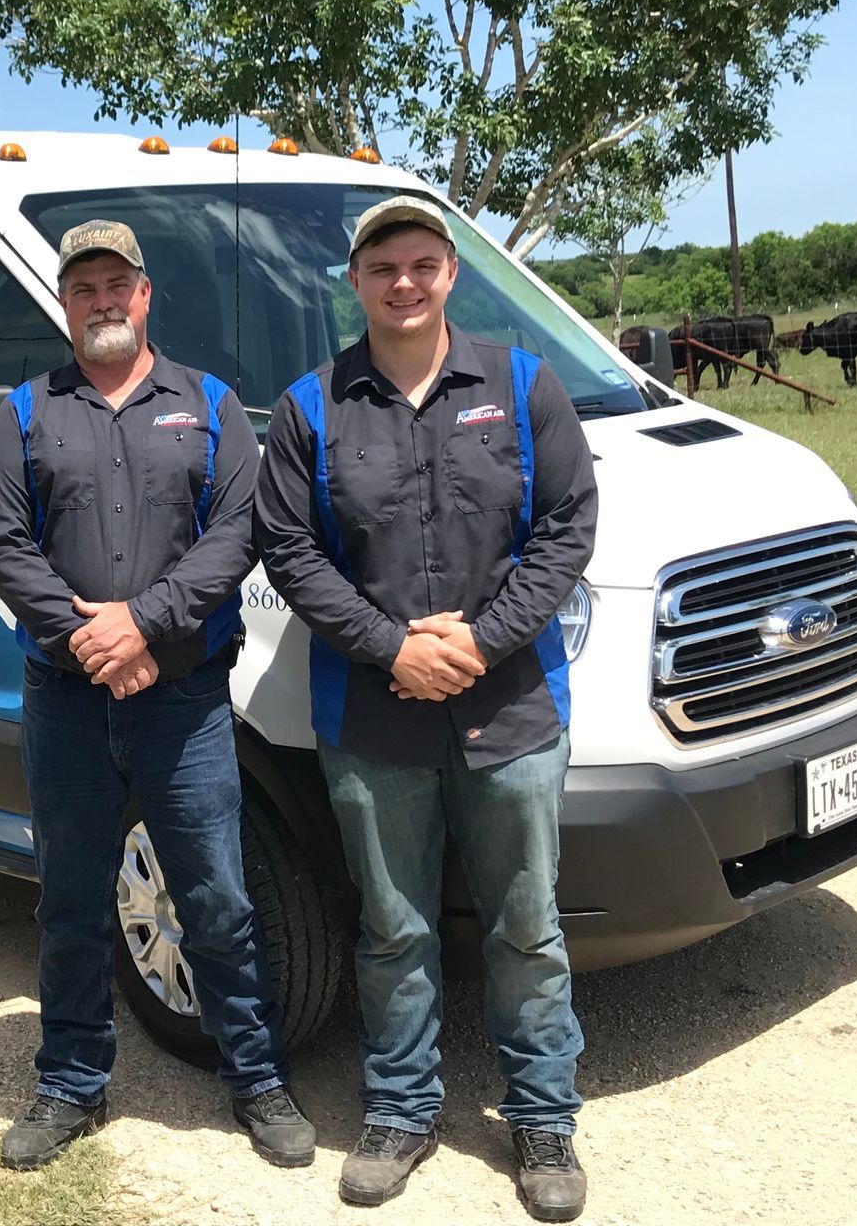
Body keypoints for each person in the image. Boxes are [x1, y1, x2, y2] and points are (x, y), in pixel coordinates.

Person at [252, 196, 597, 1220]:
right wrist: (391, 648)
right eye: (382, 267)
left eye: (422, 264)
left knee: (527, 927)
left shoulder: (524, 383)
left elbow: (568, 527)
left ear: (451, 273)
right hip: (373, 714)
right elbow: (293, 552)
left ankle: (544, 1120)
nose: (403, 283)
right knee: (393, 929)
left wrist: (481, 642)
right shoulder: (311, 407)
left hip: (515, 709)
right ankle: (401, 1111)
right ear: (353, 283)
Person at [0, 219, 315, 1173]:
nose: (102, 301)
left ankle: (255, 1078)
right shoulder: (26, 412)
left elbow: (236, 534)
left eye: (116, 284)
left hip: (185, 700)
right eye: (83, 287)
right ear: (65, 302)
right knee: (72, 899)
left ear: (146, 293)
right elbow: (1, 543)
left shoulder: (209, 404)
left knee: (218, 896)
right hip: (68, 701)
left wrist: (145, 626)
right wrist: (95, 642)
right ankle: (70, 1083)